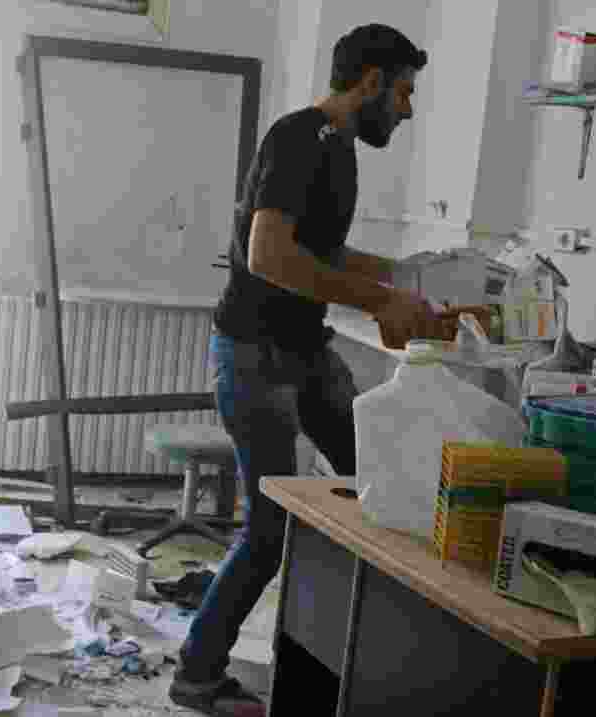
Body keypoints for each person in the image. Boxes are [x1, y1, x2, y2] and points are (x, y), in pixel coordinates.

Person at [168, 24, 434, 716]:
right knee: (269, 527)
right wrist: (382, 298)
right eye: (403, 92)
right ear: (370, 82)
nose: (407, 110)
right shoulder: (300, 137)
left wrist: (408, 275)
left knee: (377, 480)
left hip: (303, 351)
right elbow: (268, 256)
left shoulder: (339, 152)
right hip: (257, 354)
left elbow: (324, 255)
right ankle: (196, 674)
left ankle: (347, 662)